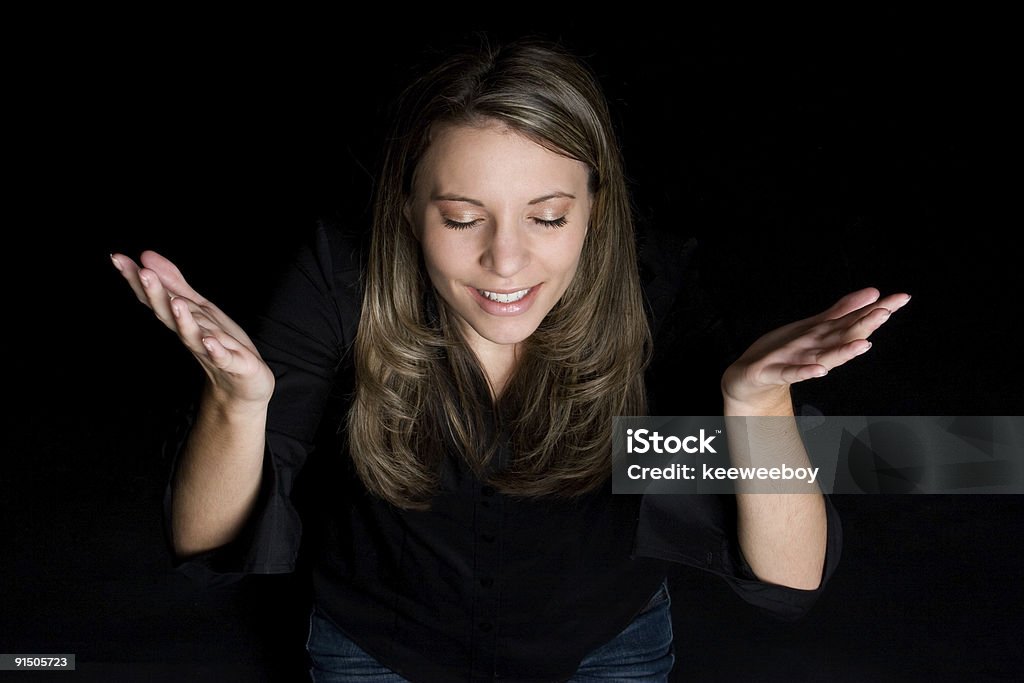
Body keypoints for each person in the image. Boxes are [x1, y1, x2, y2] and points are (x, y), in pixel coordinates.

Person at [111, 37, 909, 682]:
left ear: (594, 208)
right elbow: (205, 547)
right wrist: (237, 401)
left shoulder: (656, 289)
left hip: (603, 648)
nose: (506, 260)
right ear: (409, 210)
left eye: (549, 216)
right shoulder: (340, 275)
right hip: (376, 648)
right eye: (462, 218)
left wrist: (755, 405)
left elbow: (790, 575)